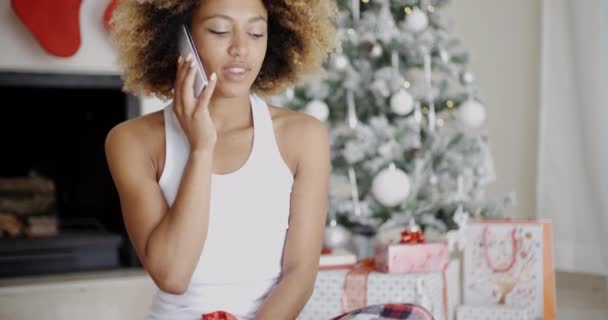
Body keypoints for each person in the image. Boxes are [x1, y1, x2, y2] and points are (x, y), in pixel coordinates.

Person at [104, 0, 339, 319]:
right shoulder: (132, 141)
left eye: (256, 32)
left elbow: (299, 275)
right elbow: (172, 275)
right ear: (180, 37)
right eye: (220, 30)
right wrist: (201, 149)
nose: (241, 48)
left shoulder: (303, 137)